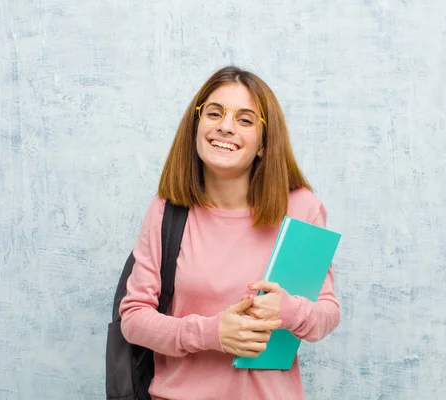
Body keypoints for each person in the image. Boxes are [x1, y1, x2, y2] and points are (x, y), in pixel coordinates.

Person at [119, 65, 340, 400]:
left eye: (245, 120)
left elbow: (327, 313)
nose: (225, 127)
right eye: (214, 113)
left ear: (264, 143)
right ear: (196, 125)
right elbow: (134, 319)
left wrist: (288, 311)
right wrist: (212, 333)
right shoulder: (168, 210)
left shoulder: (301, 209)